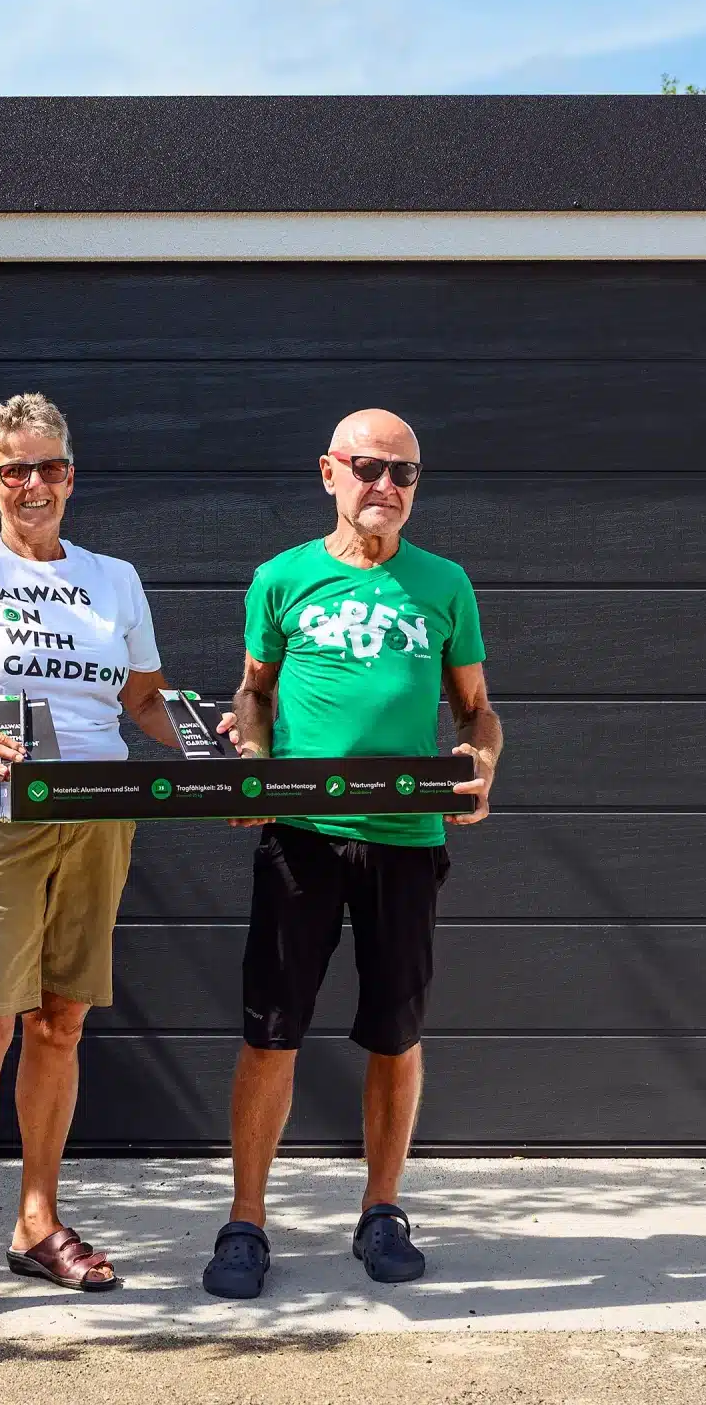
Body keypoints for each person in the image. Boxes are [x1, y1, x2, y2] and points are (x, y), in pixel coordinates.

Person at [0, 393, 181, 1331]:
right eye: (15, 469)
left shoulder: (114, 580)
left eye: (50, 466)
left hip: (97, 820)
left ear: (70, 476)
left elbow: (145, 701)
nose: (35, 483)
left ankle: (37, 1222)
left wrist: (216, 755)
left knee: (60, 1023)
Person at [200, 408, 503, 1299]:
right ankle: (245, 1222)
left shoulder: (445, 583)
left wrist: (480, 760)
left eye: (404, 472)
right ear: (328, 471)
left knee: (395, 1033)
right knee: (271, 1029)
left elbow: (476, 709)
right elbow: (253, 694)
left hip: (406, 840)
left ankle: (382, 1210)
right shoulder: (281, 577)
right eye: (369, 467)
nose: (386, 485)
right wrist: (253, 764)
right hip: (301, 836)